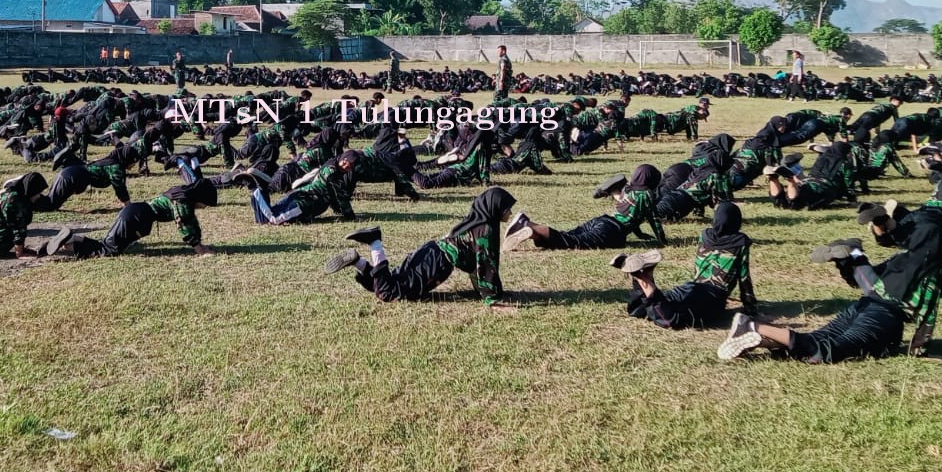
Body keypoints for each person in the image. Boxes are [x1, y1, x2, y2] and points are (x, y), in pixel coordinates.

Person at [718, 209, 942, 362]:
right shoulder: (930, 277)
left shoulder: (900, 259)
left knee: (818, 339)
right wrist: (919, 350)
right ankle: (754, 328)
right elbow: (927, 316)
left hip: (862, 306)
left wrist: (850, 262)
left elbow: (867, 277)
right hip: (885, 316)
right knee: (829, 352)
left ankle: (761, 342)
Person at [321, 188, 511, 305]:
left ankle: (359, 262)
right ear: (494, 207)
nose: (509, 212)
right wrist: (492, 299)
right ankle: (375, 243)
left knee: (389, 282)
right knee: (389, 293)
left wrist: (483, 291)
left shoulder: (475, 221)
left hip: (431, 250)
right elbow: (486, 266)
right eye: (506, 207)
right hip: (437, 264)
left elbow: (474, 265)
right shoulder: (485, 230)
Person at [617, 201, 756, 329]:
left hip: (692, 286)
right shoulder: (740, 242)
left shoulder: (705, 235)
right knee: (672, 319)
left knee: (643, 309)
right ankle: (642, 278)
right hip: (713, 295)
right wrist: (750, 307)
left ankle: (642, 279)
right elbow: (744, 278)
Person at [503, 164, 664, 251]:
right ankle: (528, 225)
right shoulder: (647, 195)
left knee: (567, 236)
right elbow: (653, 218)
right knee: (573, 242)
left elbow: (632, 214)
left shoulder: (629, 190)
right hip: (613, 231)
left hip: (604, 220)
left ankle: (532, 232)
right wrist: (662, 240)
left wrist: (640, 234)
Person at [51, 179, 219, 258]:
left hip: (135, 213)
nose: (204, 208)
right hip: (135, 219)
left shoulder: (182, 193)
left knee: (111, 245)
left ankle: (73, 240)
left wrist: (202, 244)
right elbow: (186, 226)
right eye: (205, 204)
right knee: (108, 250)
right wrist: (201, 251)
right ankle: (71, 243)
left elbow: (192, 222)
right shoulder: (182, 201)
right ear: (200, 197)